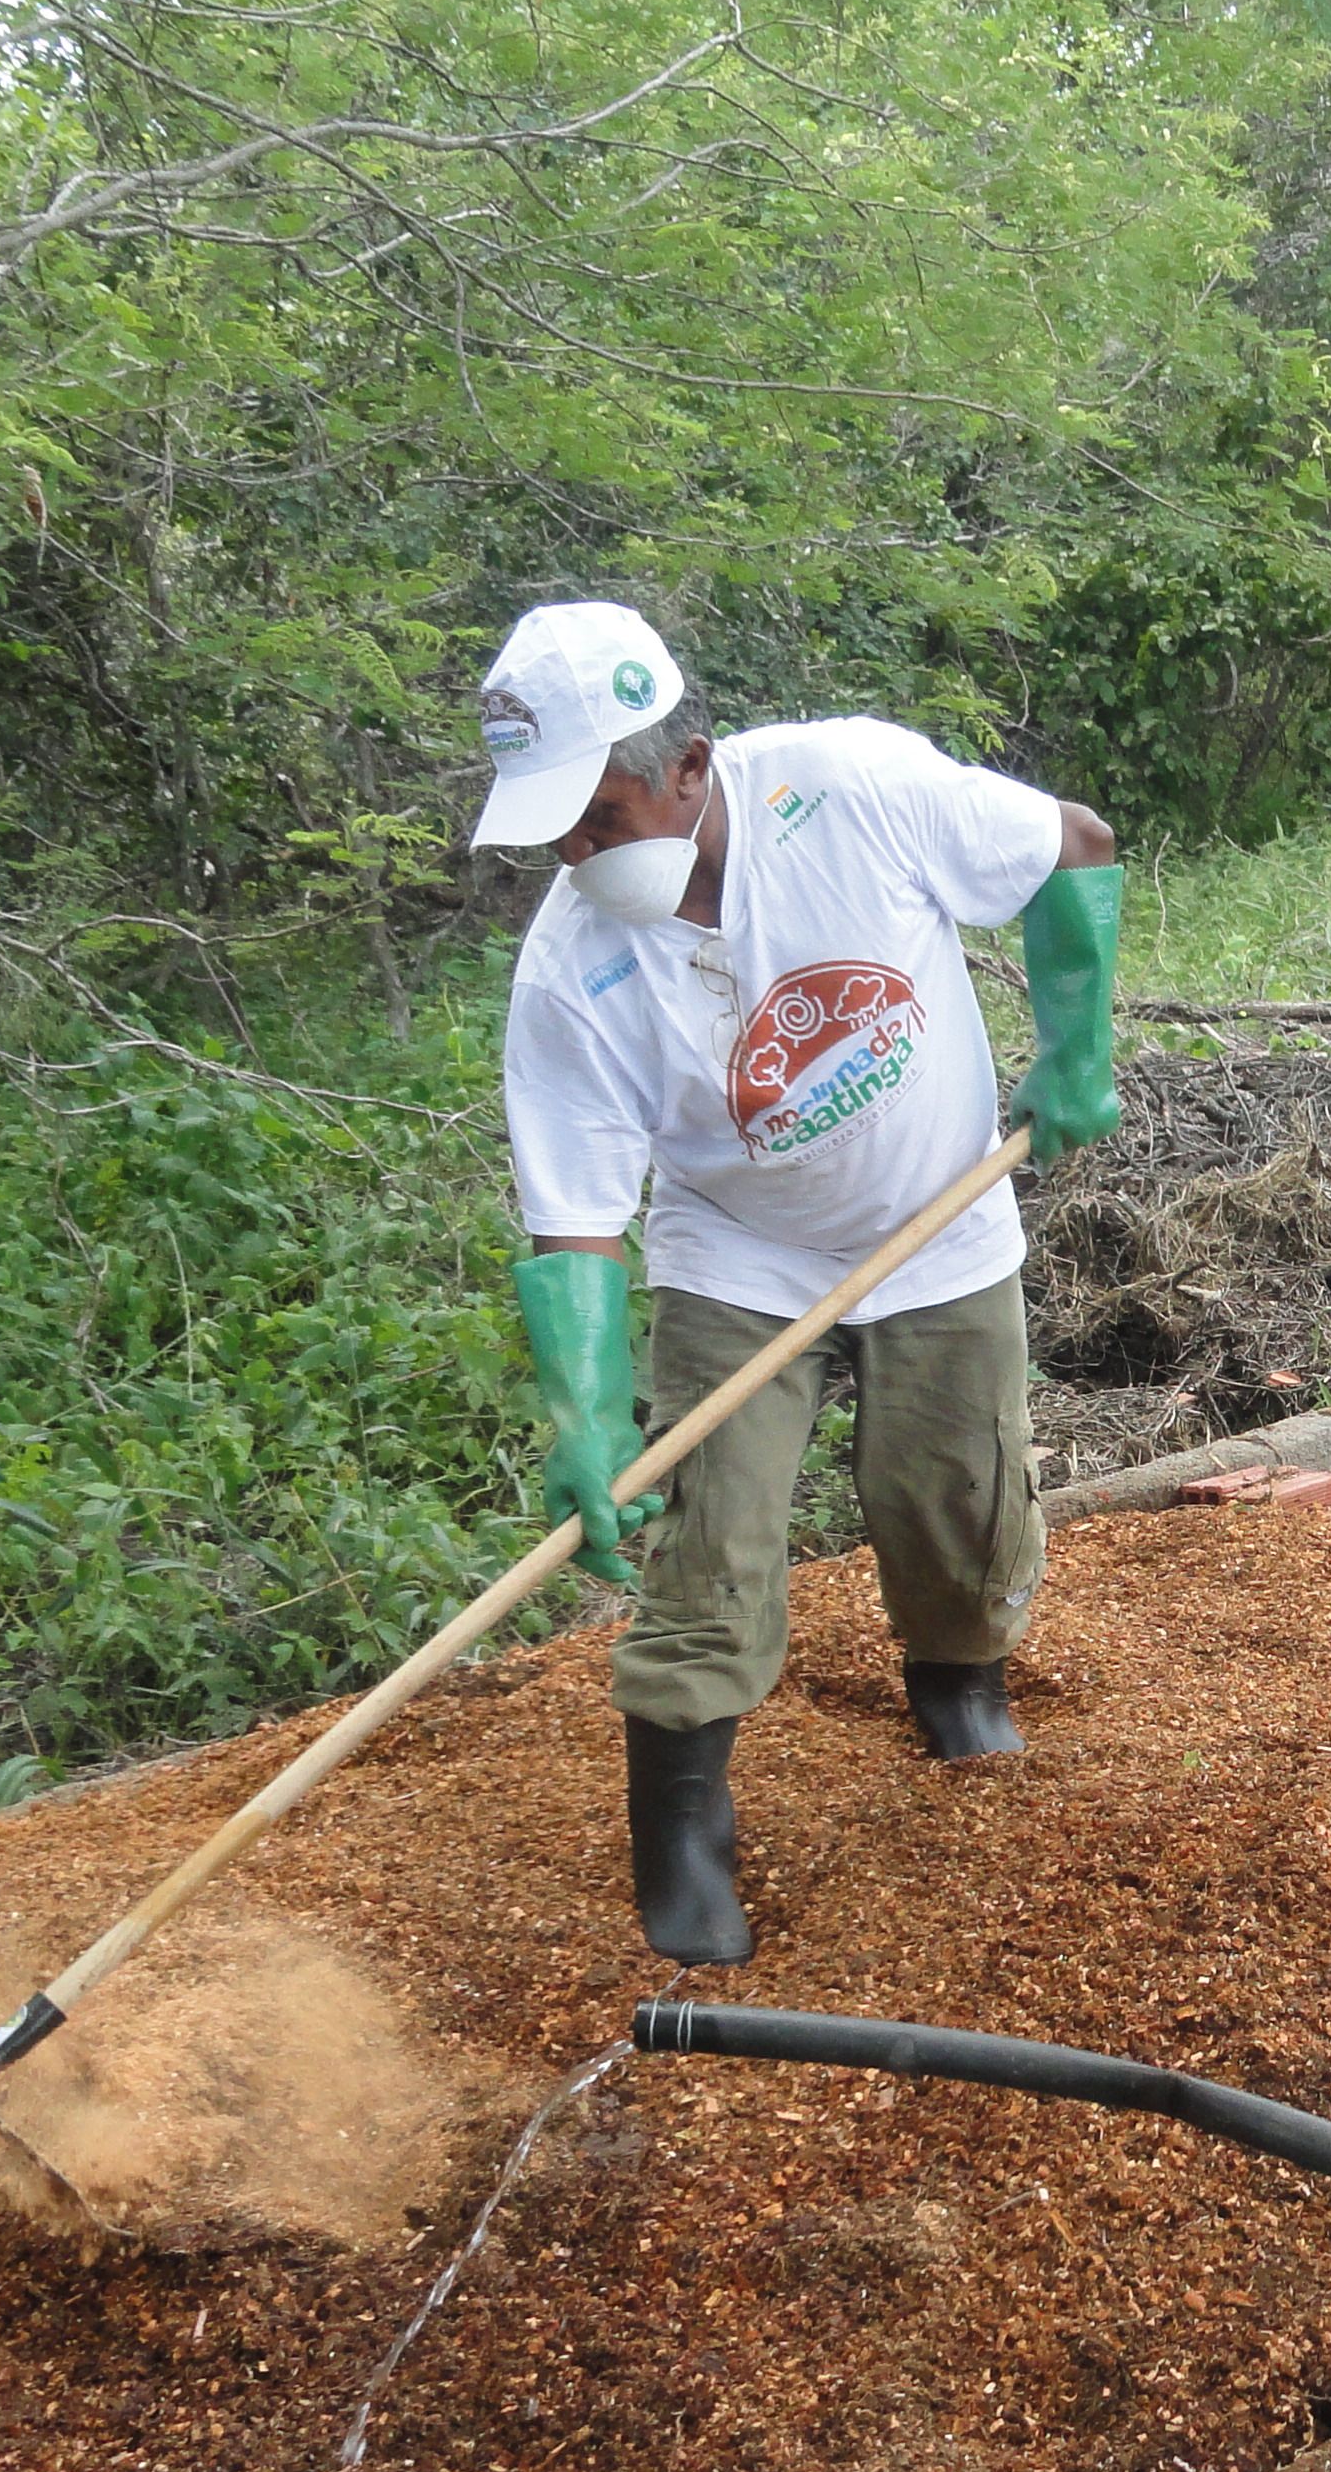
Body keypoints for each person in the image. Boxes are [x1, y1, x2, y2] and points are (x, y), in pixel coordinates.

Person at [469, 599, 1123, 1963]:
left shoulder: (853, 788)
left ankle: (958, 1684)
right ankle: (685, 1832)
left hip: (937, 1216)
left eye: (605, 817)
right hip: (738, 1252)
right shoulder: (571, 973)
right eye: (560, 835)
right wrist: (585, 1419)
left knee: (956, 1495)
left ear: (693, 768)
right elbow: (579, 1216)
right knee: (713, 1531)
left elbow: (1074, 847)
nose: (583, 857)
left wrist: (1073, 1046)